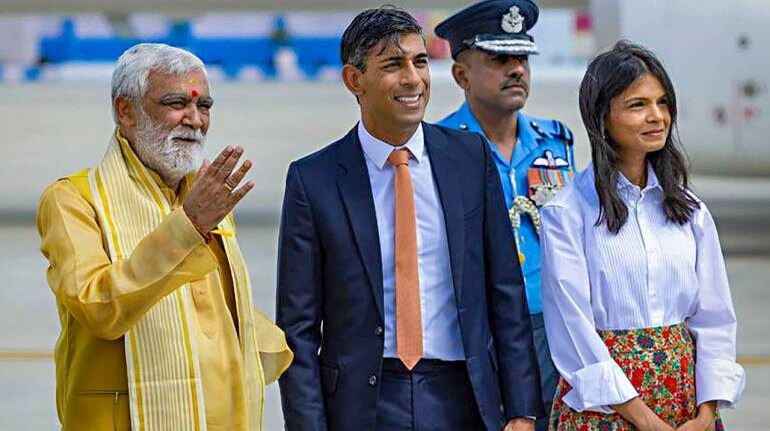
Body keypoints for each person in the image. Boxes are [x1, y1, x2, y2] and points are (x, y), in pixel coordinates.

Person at [276, 6, 542, 431]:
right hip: (366, 402)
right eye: (393, 65)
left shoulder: (469, 159)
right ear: (354, 80)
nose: (413, 79)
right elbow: (298, 329)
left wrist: (523, 410)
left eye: (420, 62)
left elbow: (505, 293)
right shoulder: (314, 180)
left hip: (465, 395)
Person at [37, 43, 292, 431]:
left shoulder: (204, 195)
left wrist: (302, 350)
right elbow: (98, 305)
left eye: (204, 106)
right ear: (126, 111)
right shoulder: (72, 199)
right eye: (177, 103)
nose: (194, 119)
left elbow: (220, 309)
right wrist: (187, 226)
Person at [540, 40, 745, 431]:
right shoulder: (568, 213)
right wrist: (643, 419)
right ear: (602, 118)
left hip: (688, 402)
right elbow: (573, 329)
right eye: (638, 105)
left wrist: (705, 414)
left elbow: (715, 319)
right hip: (605, 409)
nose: (657, 116)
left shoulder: (691, 211)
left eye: (663, 102)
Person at [435, 2, 576, 429]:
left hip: (554, 325)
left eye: (522, 59)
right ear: (461, 75)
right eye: (499, 59)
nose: (516, 69)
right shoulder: (440, 149)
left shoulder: (556, 142)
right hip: (483, 331)